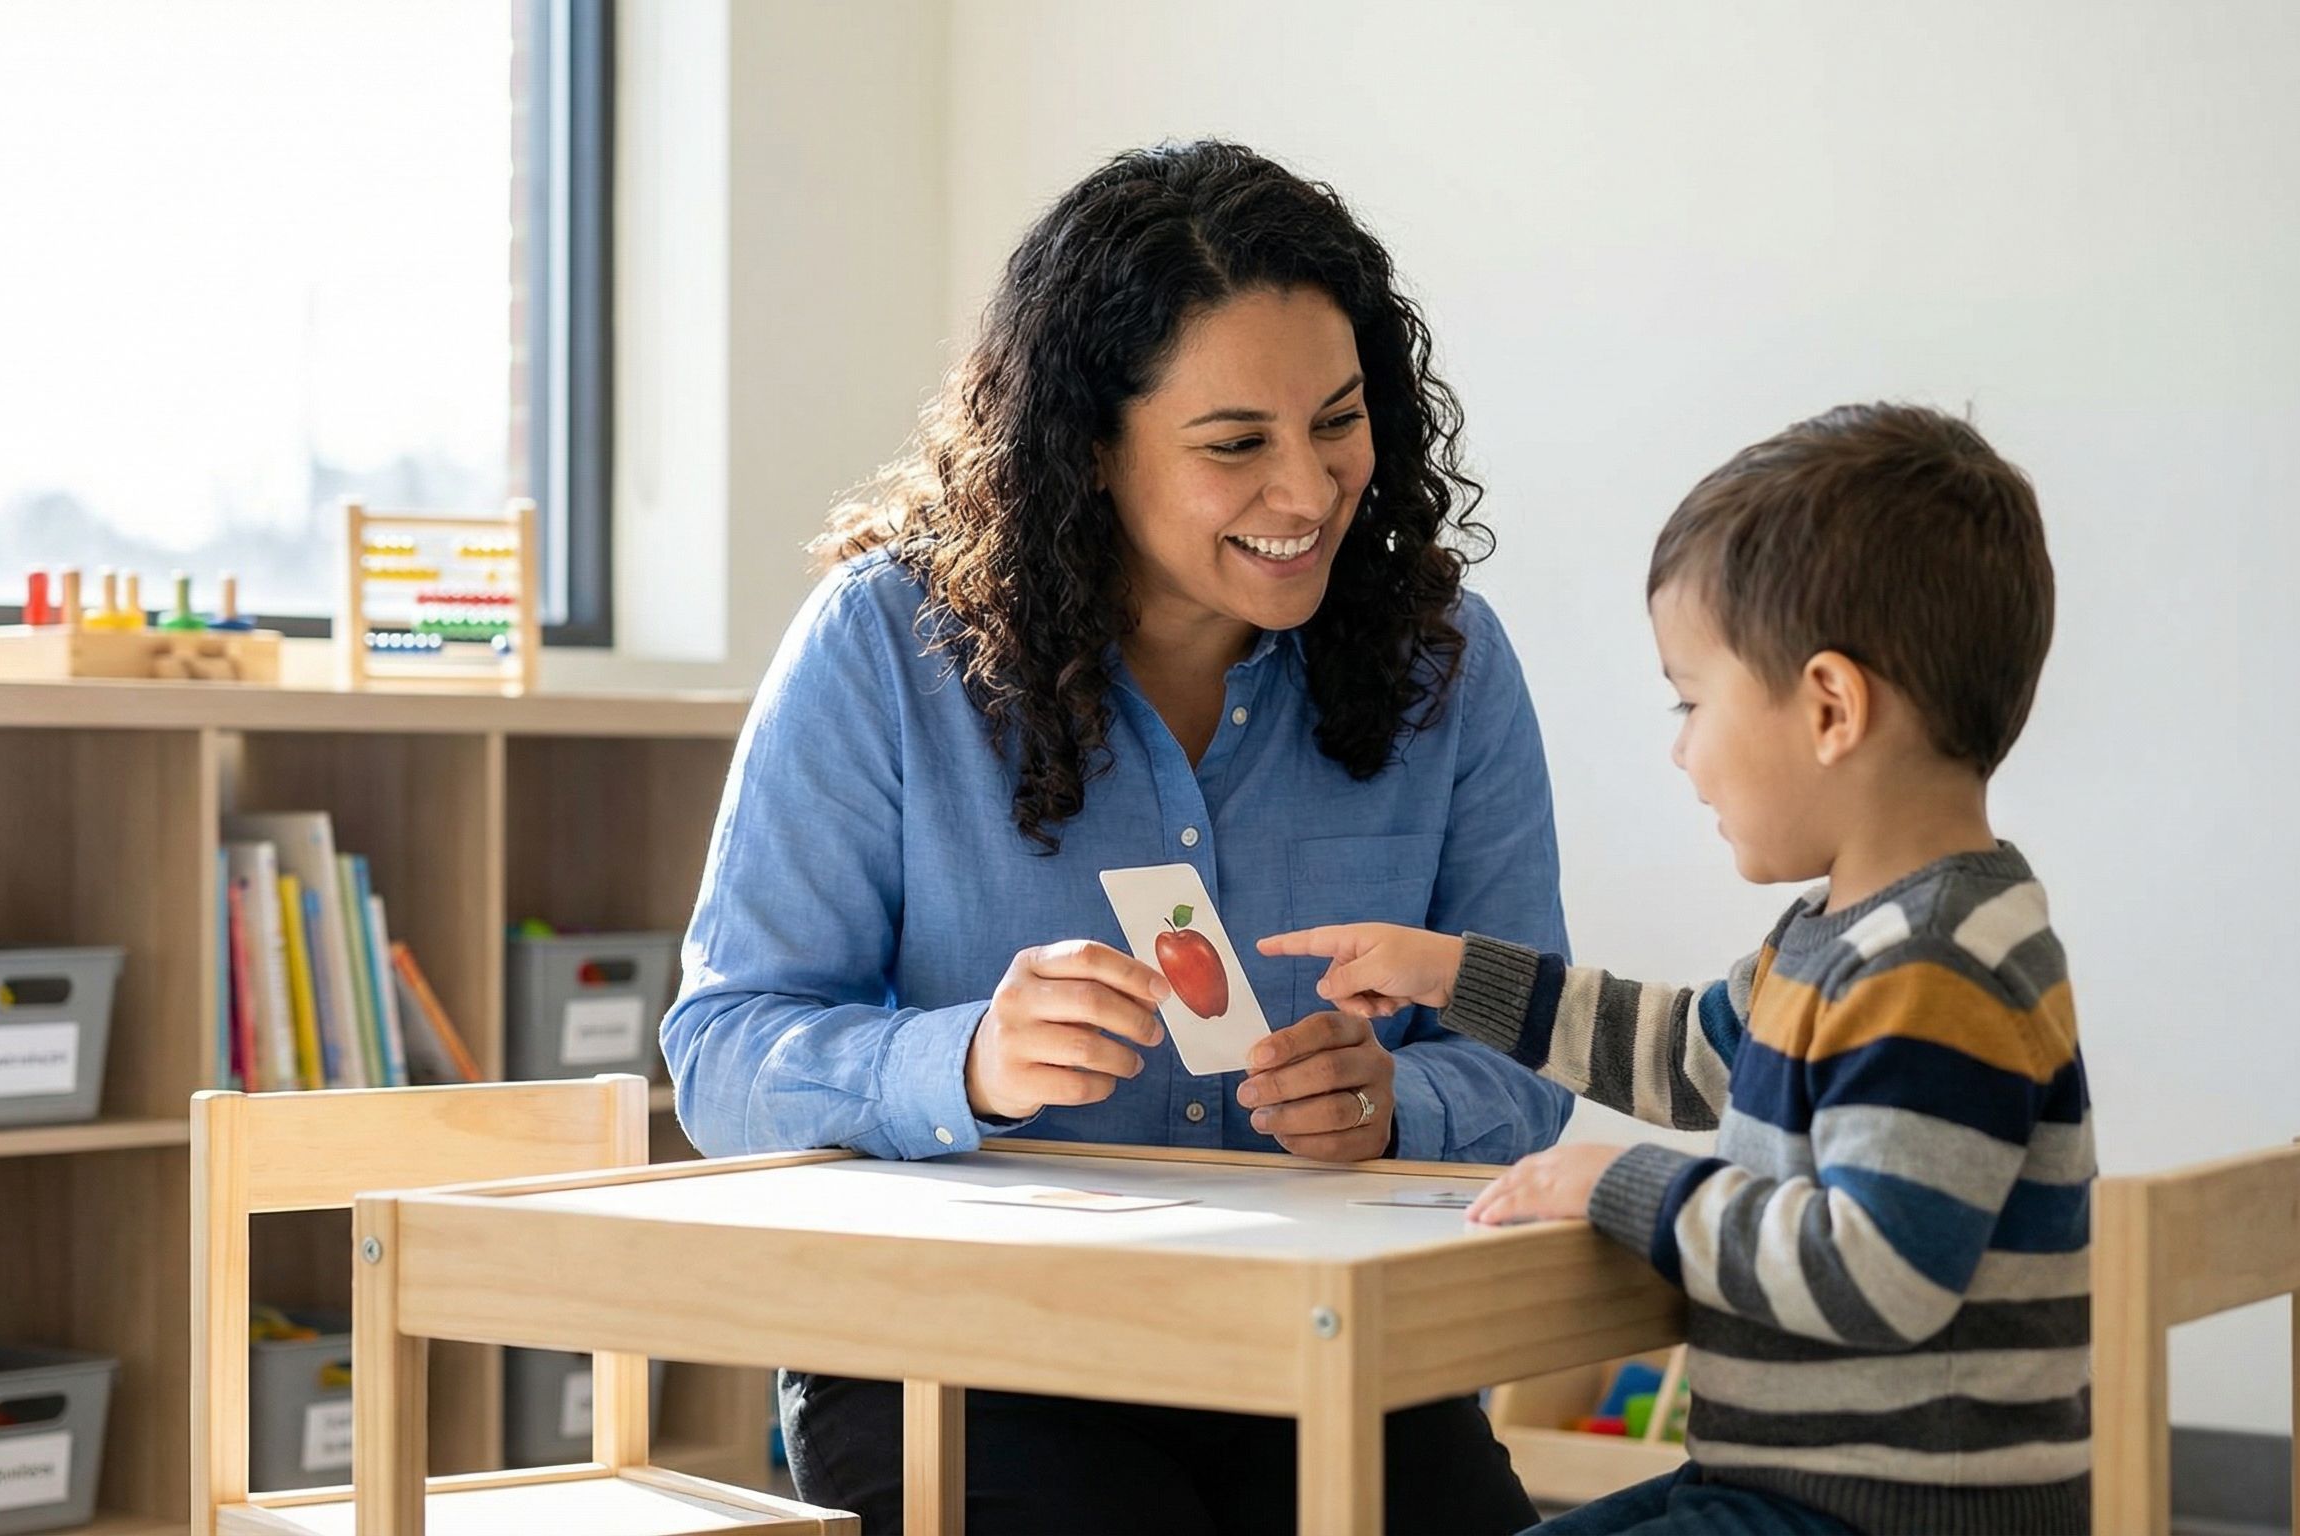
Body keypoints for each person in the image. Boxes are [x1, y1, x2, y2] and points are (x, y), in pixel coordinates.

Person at [661, 140, 1570, 1534]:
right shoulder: (881, 650)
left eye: (1339, 421)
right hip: (956, 1360)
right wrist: (960, 1058)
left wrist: (1404, 1108)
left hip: (1314, 1351)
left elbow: (1531, 1047)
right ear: (1088, 445)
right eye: (1234, 447)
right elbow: (724, 1053)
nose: (1313, 491)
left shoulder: (1446, 668)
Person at [1265, 403, 2089, 1535]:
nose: (1679, 749)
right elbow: (1690, 1055)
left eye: (1693, 702)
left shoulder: (1931, 971)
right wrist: (1453, 974)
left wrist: (1622, 1186)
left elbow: (1879, 1266)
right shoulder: (1845, 935)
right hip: (1794, 1486)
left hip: (1890, 1510)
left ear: (1830, 708)